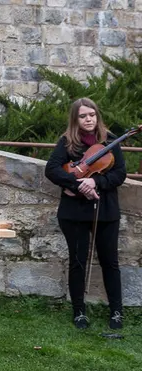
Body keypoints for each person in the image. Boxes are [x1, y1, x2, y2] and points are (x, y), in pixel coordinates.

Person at [45, 98, 127, 330]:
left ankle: (116, 312)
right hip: (74, 212)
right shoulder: (67, 142)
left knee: (110, 262)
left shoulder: (110, 140)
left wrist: (95, 182)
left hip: (106, 210)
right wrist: (78, 184)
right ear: (75, 119)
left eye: (92, 114)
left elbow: (120, 173)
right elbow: (52, 170)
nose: (88, 119)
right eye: (83, 116)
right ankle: (79, 311)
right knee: (78, 262)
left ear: (97, 116)